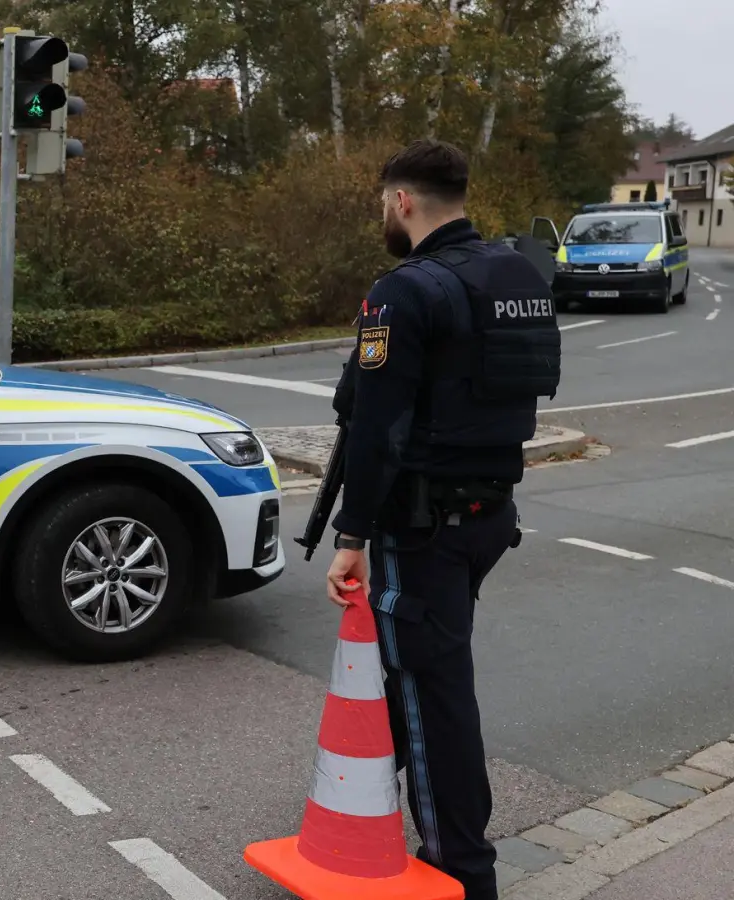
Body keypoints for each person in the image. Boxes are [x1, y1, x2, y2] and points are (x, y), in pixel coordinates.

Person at [326, 139, 560, 900]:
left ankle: (461, 869)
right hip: (489, 511)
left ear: (402, 201)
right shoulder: (514, 274)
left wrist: (351, 537)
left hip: (421, 525)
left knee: (434, 695)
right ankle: (358, 804)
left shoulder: (406, 290)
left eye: (381, 204)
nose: (382, 216)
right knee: (418, 672)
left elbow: (377, 428)